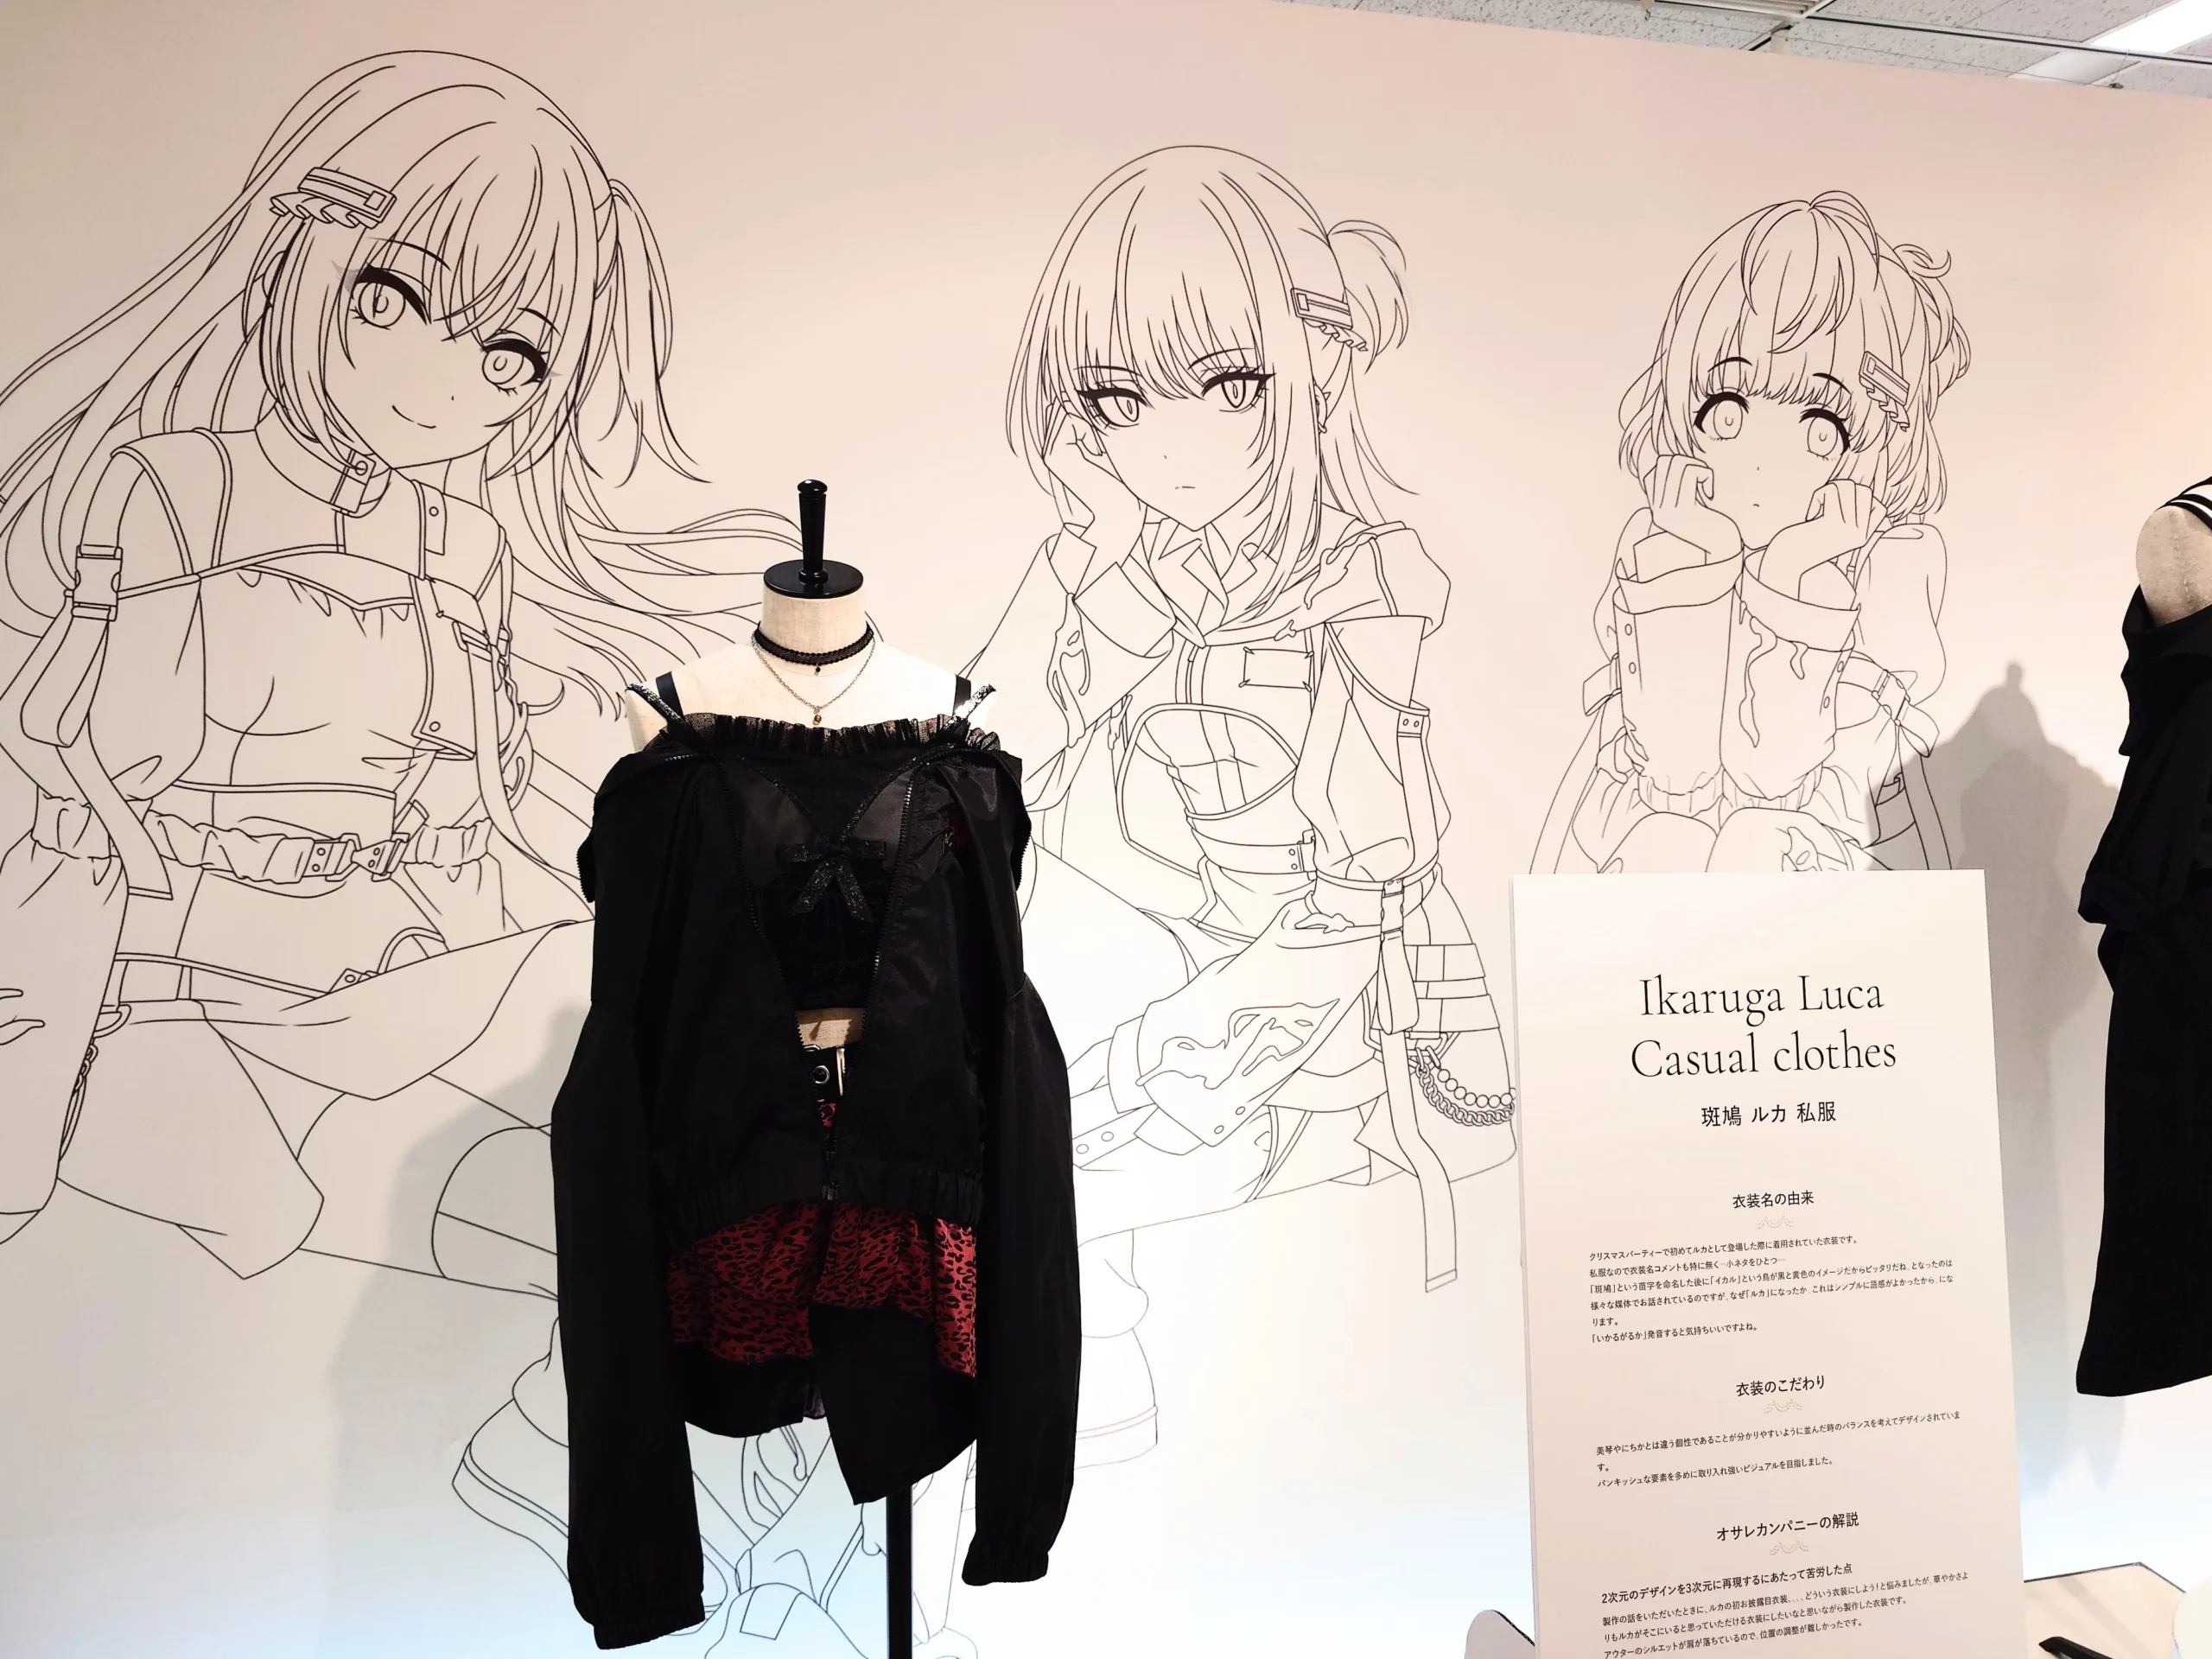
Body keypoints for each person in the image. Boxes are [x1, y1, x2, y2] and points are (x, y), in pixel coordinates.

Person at [0, 50, 810, 1637]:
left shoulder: (465, 537)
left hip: (388, 968)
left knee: (663, 1127)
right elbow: (61, 752)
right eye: (395, 298)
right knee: (589, 1217)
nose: (444, 382)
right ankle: (652, 1494)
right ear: (304, 257)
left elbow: (487, 801)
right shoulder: (170, 490)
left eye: (508, 353)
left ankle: (707, 1497)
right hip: (188, 996)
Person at [971, 145, 1516, 1465]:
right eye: (1117, 398)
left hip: (1304, 1045)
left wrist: (1154, 1057)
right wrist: (1094, 565)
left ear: (1315, 362)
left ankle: (1077, 1432)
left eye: (1227, 386)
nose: (1167, 445)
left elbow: (1361, 891)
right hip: (1133, 985)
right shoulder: (1110, 567)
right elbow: (979, 769)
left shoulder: (1362, 594)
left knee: (1034, 1191)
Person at [1533, 192, 1970, 876]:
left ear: (1878, 440)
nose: (1762, 461)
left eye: (1821, 426)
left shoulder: (1890, 564)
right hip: (1651, 853)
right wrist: (1697, 566)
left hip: (1827, 871)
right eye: (1727, 410)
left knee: (1757, 840)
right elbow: (1671, 778)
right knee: (1664, 840)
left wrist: (1796, 578)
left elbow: (1781, 784)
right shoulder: (1661, 544)